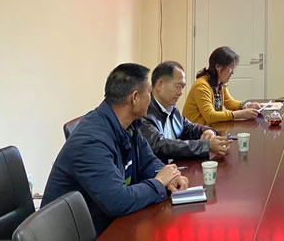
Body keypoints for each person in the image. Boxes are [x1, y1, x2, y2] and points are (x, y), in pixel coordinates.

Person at [42, 63, 188, 235]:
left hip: (107, 224)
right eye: (148, 92)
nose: (151, 98)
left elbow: (148, 161)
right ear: (135, 98)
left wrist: (169, 178)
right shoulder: (91, 141)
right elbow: (118, 201)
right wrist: (158, 183)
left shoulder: (130, 125)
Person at [140, 61, 232, 160]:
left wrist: (208, 131)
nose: (180, 93)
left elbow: (189, 127)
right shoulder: (144, 112)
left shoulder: (172, 109)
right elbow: (160, 145)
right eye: (178, 87)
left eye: (182, 88)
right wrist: (206, 146)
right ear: (159, 85)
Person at [182, 46, 264, 124]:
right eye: (231, 68)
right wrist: (241, 114)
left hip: (209, 128)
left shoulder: (220, 83)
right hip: (195, 131)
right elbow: (210, 116)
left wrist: (247, 105)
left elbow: (229, 103)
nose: (232, 72)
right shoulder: (201, 86)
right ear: (218, 66)